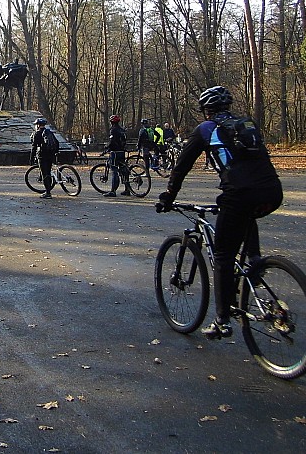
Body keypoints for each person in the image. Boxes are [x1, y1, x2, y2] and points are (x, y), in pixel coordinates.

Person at [157, 86, 282, 340]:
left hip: (239, 193)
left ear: (206, 110)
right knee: (247, 214)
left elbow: (181, 167)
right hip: (272, 191)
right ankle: (255, 260)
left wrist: (168, 196)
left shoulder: (205, 129)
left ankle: (222, 320)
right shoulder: (247, 124)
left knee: (224, 254)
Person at [101, 115, 131, 197]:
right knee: (123, 169)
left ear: (111, 122)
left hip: (115, 152)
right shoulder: (122, 130)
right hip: (122, 152)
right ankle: (127, 189)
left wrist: (106, 146)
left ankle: (113, 191)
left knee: (114, 170)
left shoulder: (113, 130)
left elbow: (112, 141)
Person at [30, 117, 59, 198]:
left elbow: (34, 147)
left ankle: (48, 193)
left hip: (42, 155)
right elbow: (56, 142)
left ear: (38, 125)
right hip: (51, 154)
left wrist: (31, 158)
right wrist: (55, 152)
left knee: (44, 173)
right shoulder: (49, 132)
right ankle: (48, 189)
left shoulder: (37, 133)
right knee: (48, 172)